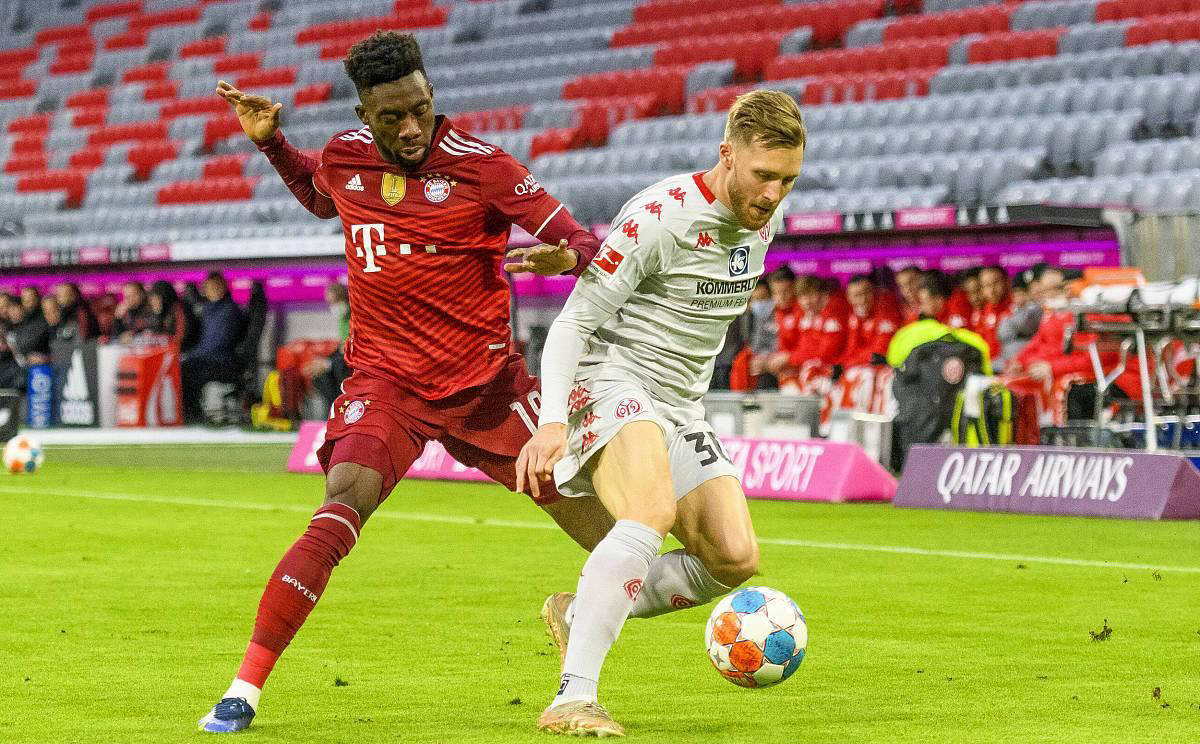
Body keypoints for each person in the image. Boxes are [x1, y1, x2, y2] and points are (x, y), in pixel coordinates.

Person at [199, 31, 615, 733]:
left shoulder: (485, 167)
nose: (413, 127)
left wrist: (565, 259)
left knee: (610, 537)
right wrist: (273, 146)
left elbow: (584, 241)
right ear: (366, 116)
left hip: (487, 389)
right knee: (340, 507)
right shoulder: (345, 156)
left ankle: (590, 610)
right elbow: (322, 196)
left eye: (421, 109)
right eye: (393, 117)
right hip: (387, 385)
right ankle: (244, 689)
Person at [516, 89, 805, 736]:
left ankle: (574, 613)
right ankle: (573, 698)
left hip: (680, 402)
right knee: (650, 512)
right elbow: (573, 324)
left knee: (732, 558)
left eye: (787, 179)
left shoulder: (765, 218)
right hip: (610, 377)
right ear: (726, 155)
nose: (773, 193)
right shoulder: (661, 216)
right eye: (763, 175)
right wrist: (554, 421)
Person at [181, 272, 245, 421]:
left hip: (223, 362)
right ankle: (190, 412)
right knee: (184, 367)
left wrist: (192, 355)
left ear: (223, 287)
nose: (212, 291)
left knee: (188, 369)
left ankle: (192, 413)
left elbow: (218, 344)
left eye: (215, 287)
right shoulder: (208, 310)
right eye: (209, 288)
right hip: (208, 359)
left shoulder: (230, 311)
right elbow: (205, 343)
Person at [836, 274, 901, 370]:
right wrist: (839, 365)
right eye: (857, 295)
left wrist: (846, 365)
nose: (863, 299)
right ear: (849, 298)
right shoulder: (855, 316)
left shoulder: (886, 311)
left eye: (867, 293)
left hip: (885, 366)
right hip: (862, 364)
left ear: (874, 292)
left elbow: (879, 351)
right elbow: (852, 349)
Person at [146, 280, 191, 349]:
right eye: (152, 299)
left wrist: (163, 339)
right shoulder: (159, 310)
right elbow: (156, 333)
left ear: (165, 297)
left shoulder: (179, 309)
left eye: (157, 298)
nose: (154, 302)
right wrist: (158, 314)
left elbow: (181, 337)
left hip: (183, 349)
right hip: (167, 348)